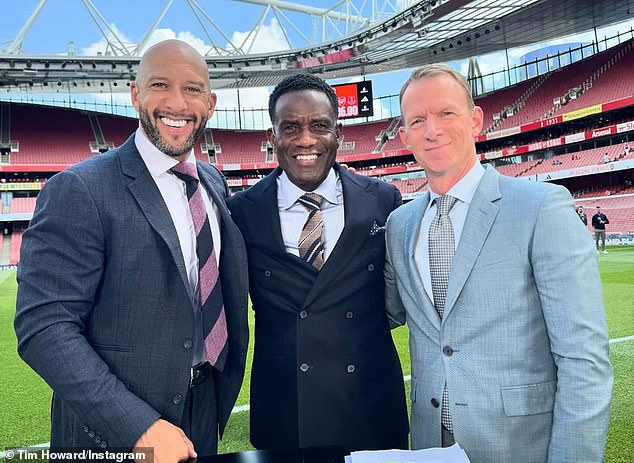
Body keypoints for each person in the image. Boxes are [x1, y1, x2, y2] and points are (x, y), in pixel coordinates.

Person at [14, 40, 248, 462]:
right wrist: (136, 426)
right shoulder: (79, 189)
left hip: (202, 406)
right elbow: (44, 327)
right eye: (160, 84)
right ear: (136, 93)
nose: (177, 102)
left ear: (210, 103)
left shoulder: (212, 181)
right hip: (109, 434)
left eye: (192, 89)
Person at [385, 64, 612, 462]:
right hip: (429, 444)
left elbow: (583, 359)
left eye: (446, 113)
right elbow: (382, 314)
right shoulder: (399, 225)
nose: (432, 129)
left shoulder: (542, 207)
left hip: (520, 445)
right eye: (417, 120)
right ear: (404, 135)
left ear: (475, 120)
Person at [227, 74, 408, 452]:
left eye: (319, 126)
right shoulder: (241, 211)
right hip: (286, 410)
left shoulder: (382, 200)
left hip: (370, 405)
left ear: (338, 133)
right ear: (272, 136)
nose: (306, 140)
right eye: (290, 127)